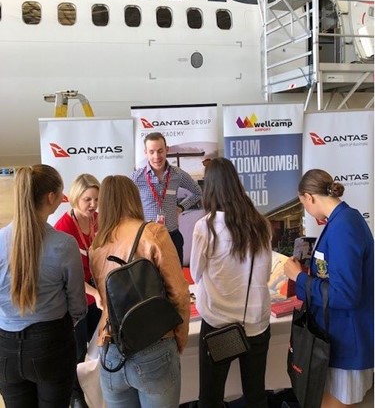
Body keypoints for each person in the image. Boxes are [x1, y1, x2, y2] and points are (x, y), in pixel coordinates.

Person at [89, 175, 190, 408]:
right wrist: (178, 339)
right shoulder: (153, 233)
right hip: (154, 344)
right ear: (134, 197)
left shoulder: (97, 244)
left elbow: (106, 299)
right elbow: (179, 293)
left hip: (111, 349)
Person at [284, 169, 374, 408]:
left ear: (309, 197)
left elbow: (345, 294)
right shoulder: (340, 222)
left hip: (346, 337)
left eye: (303, 204)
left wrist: (299, 278)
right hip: (337, 335)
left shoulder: (344, 226)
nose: (307, 210)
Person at [0, 165, 87, 408]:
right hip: (51, 344)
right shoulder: (64, 244)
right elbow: (78, 306)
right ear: (51, 198)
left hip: (4, 347)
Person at [190, 157, 273, 408]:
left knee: (212, 396)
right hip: (255, 322)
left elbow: (196, 273)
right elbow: (266, 273)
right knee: (256, 394)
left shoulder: (205, 227)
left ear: (210, 188)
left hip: (219, 323)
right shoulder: (260, 223)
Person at [54, 173, 102, 408]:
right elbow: (67, 275)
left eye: (96, 199)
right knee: (77, 349)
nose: (93, 205)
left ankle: (95, 389)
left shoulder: (98, 220)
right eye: (87, 200)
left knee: (99, 346)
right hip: (77, 299)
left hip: (97, 298)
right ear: (75, 199)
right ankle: (75, 394)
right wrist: (94, 293)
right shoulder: (63, 226)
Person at [131, 132, 202, 265]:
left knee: (175, 281)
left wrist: (181, 207)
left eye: (160, 151)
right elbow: (125, 202)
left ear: (167, 150)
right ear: (145, 152)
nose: (156, 157)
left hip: (172, 236)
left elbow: (197, 192)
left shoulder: (177, 174)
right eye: (151, 152)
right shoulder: (137, 177)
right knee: (151, 281)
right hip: (147, 238)